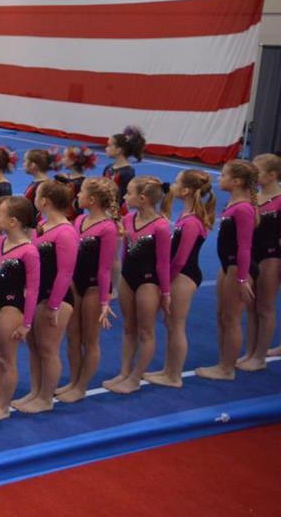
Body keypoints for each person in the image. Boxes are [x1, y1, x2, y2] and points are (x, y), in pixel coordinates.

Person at [144, 169, 214, 388]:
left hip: (183, 275)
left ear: (185, 190)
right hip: (179, 274)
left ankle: (174, 376)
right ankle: (168, 369)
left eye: (175, 182)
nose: (171, 185)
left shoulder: (192, 221)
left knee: (176, 325)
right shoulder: (186, 215)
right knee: (170, 323)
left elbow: (181, 259)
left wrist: (164, 283)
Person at [13, 180, 78, 414]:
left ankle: (46, 397)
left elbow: (65, 271)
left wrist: (53, 305)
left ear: (44, 201)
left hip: (56, 299)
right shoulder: (42, 225)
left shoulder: (66, 231)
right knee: (34, 347)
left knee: (48, 349)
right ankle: (35, 391)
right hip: (38, 295)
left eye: (36, 196)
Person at [103, 176, 171, 395]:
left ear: (142, 198)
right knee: (128, 327)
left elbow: (163, 263)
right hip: (128, 277)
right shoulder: (128, 219)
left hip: (149, 282)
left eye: (128, 193)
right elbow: (124, 251)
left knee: (145, 331)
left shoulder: (161, 226)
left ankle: (135, 377)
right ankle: (124, 372)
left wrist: (166, 292)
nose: (125, 196)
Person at [0, 196, 40, 422]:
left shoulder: (29, 251)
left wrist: (27, 324)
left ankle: (3, 407)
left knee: (8, 358)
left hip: (12, 306)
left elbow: (32, 290)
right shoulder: (1, 242)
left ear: (12, 221)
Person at [57, 177, 120, 403]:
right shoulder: (80, 220)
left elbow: (105, 268)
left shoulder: (108, 228)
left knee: (90, 340)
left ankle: (82, 387)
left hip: (94, 286)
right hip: (75, 283)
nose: (77, 195)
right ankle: (73, 381)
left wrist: (105, 302)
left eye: (81, 192)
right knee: (73, 337)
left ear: (91, 199)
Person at [196, 160, 258, 381]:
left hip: (237, 268)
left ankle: (227, 369)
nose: (218, 178)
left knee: (230, 318)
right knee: (222, 316)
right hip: (227, 265)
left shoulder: (243, 208)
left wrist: (242, 278)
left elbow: (245, 246)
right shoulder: (233, 203)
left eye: (223, 175)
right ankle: (223, 362)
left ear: (237, 181)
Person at [242, 153, 281, 371]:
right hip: (252, 255)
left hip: (272, 256)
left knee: (265, 307)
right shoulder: (254, 197)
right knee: (251, 306)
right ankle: (250, 351)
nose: (251, 175)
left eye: (256, 172)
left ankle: (259, 357)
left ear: (272, 175)